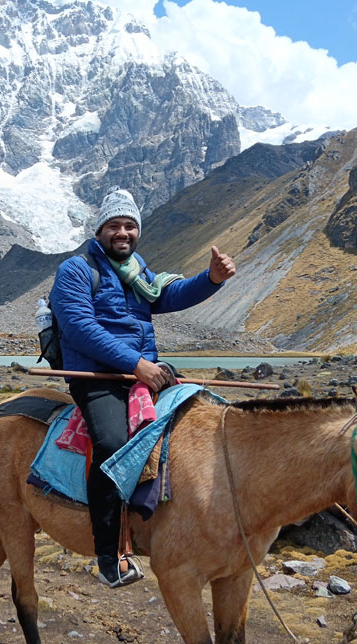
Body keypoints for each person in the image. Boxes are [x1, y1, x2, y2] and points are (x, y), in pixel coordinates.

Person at [50, 186, 236, 588]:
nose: (123, 233)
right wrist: (137, 365)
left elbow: (170, 294)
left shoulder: (137, 272)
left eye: (130, 225)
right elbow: (79, 329)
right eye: (114, 225)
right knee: (113, 445)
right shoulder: (77, 271)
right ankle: (107, 555)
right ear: (100, 229)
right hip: (96, 378)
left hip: (139, 373)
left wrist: (211, 280)